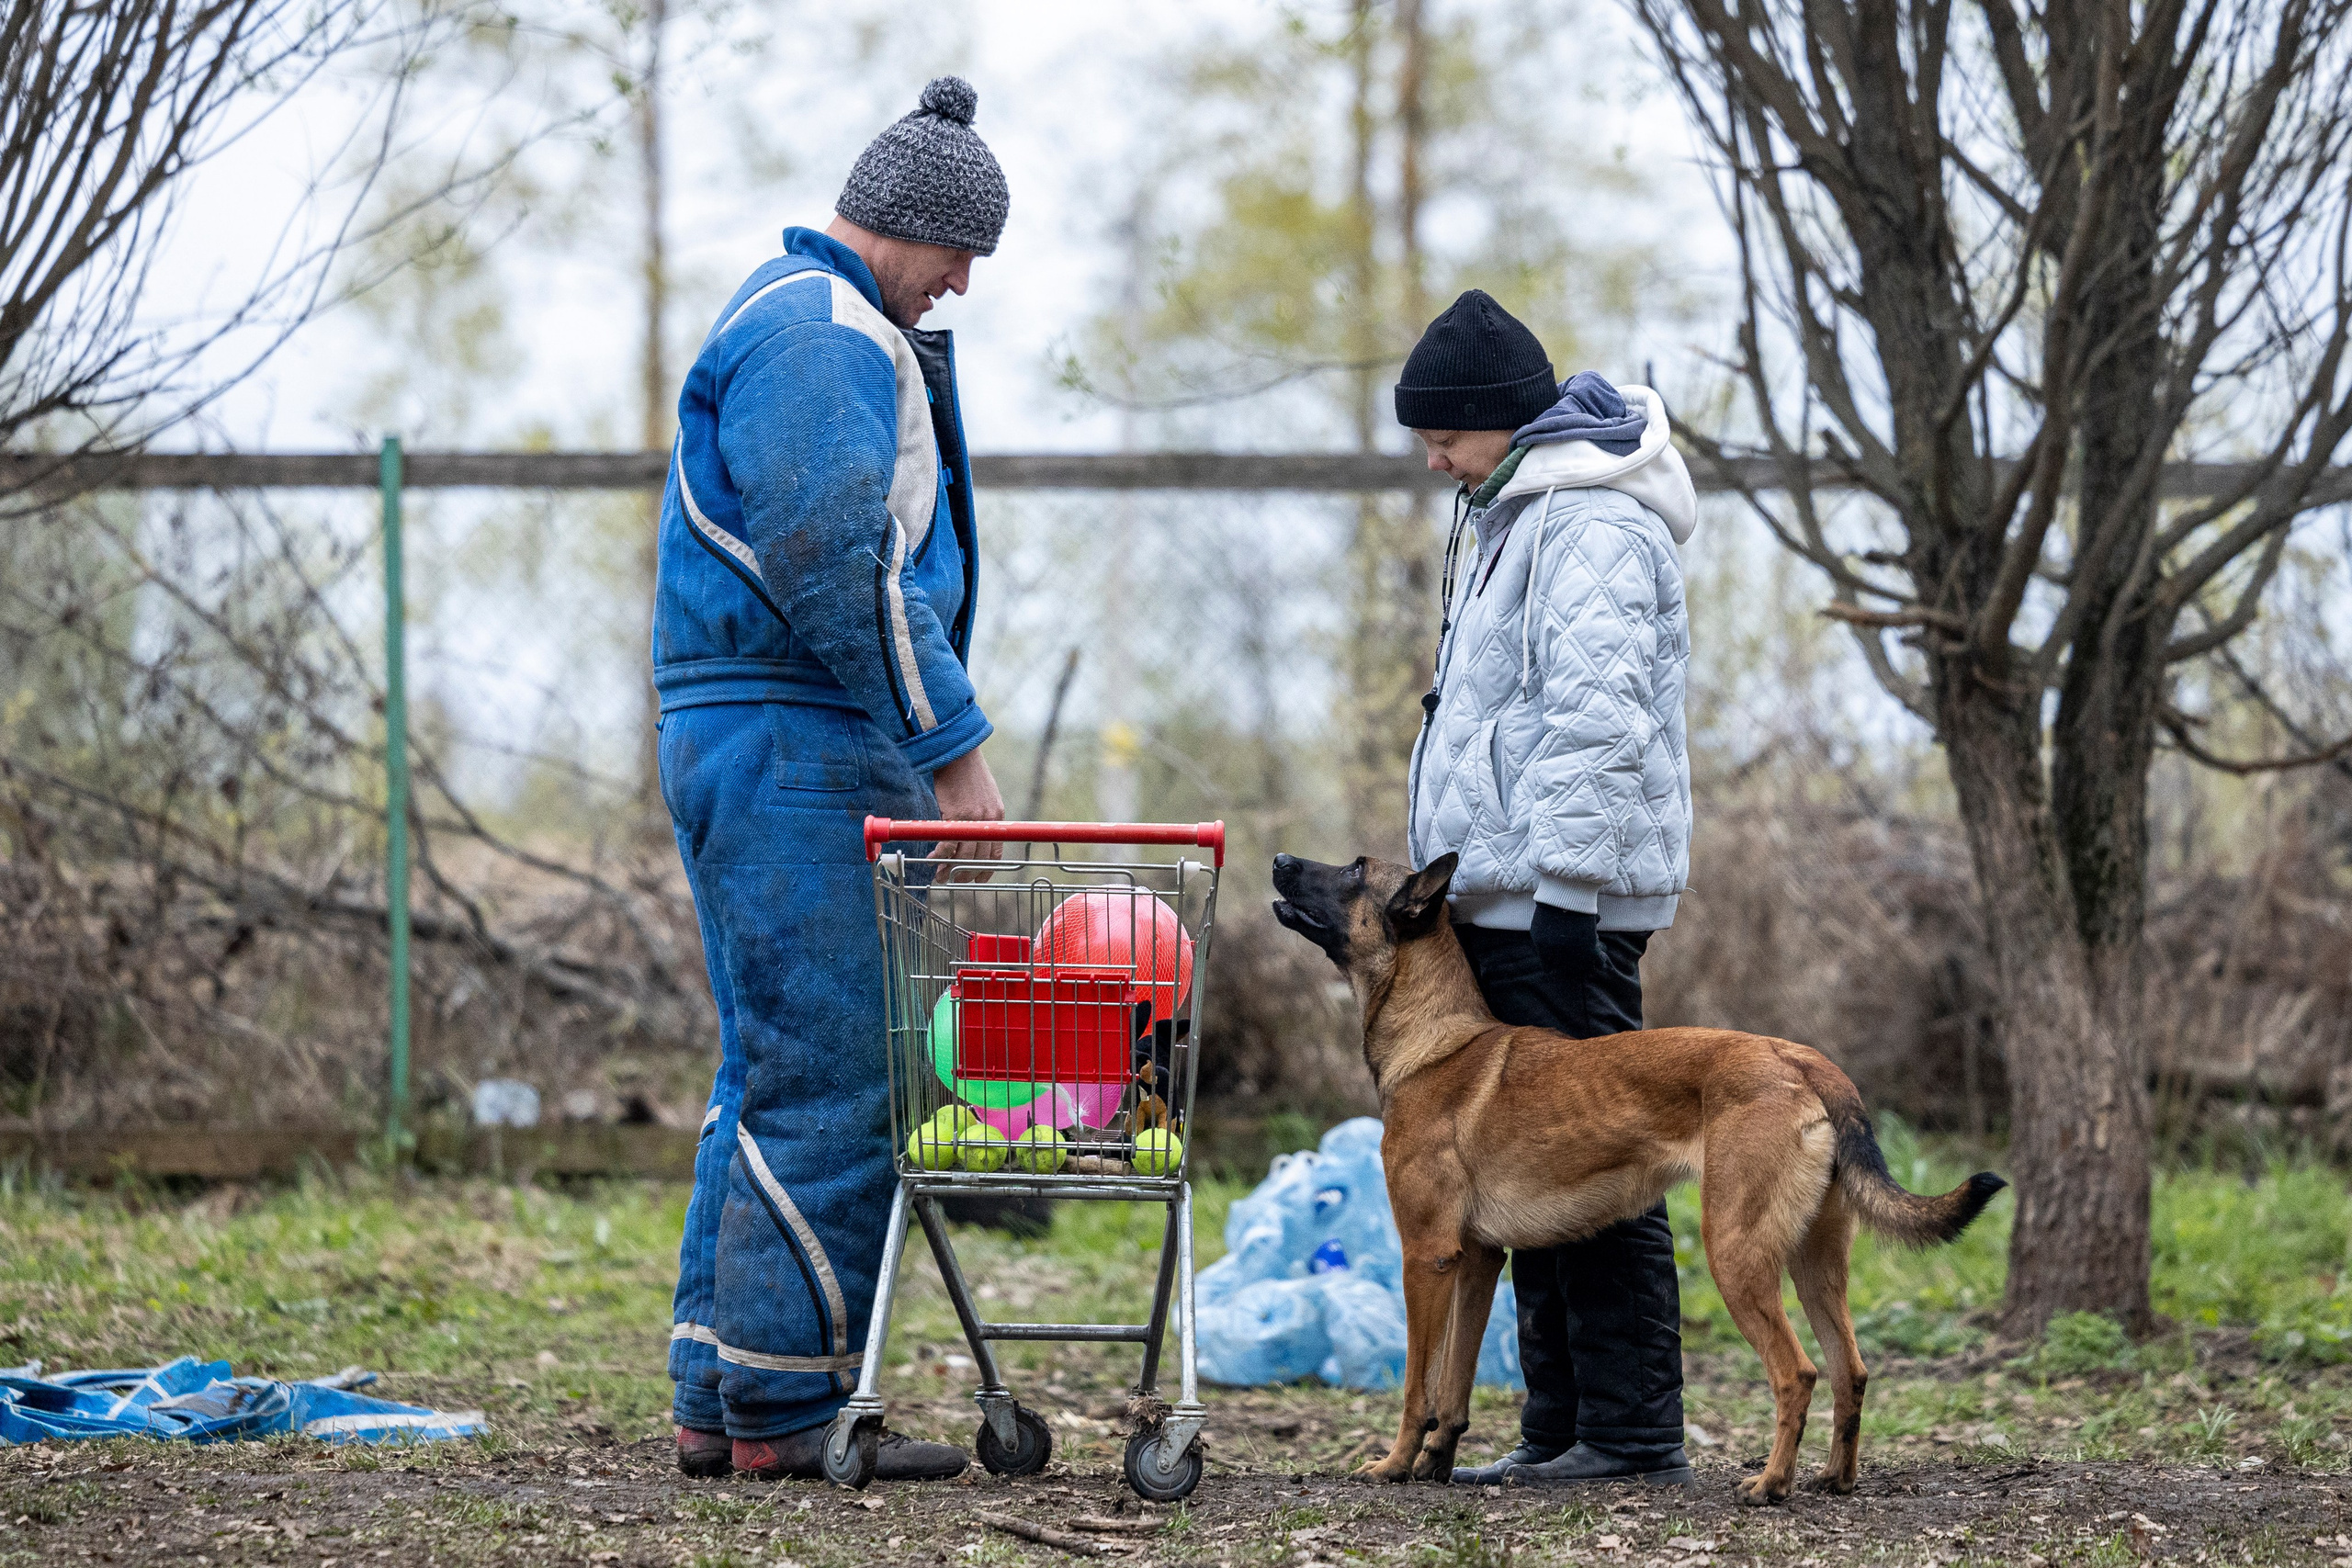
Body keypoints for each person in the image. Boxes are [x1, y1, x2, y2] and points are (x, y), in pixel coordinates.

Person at [651, 75, 1012, 1483]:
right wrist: (957, 749)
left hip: (756, 731)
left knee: (769, 1067)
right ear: (903, 227)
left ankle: (720, 1391)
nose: (962, 285)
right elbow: (835, 556)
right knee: (843, 1075)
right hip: (792, 737)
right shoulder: (822, 332)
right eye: (957, 254)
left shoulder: (809, 319)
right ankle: (790, 1416)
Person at [1394, 289, 1701, 1487]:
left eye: (1442, 432)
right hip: (1506, 901)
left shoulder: (1593, 529)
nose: (1431, 454)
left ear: (1500, 420)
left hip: (1558, 907)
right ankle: (1555, 1428)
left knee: (1602, 1172)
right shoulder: (1513, 514)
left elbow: (1596, 718)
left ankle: (1630, 1434)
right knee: (1525, 1182)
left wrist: (1569, 890)